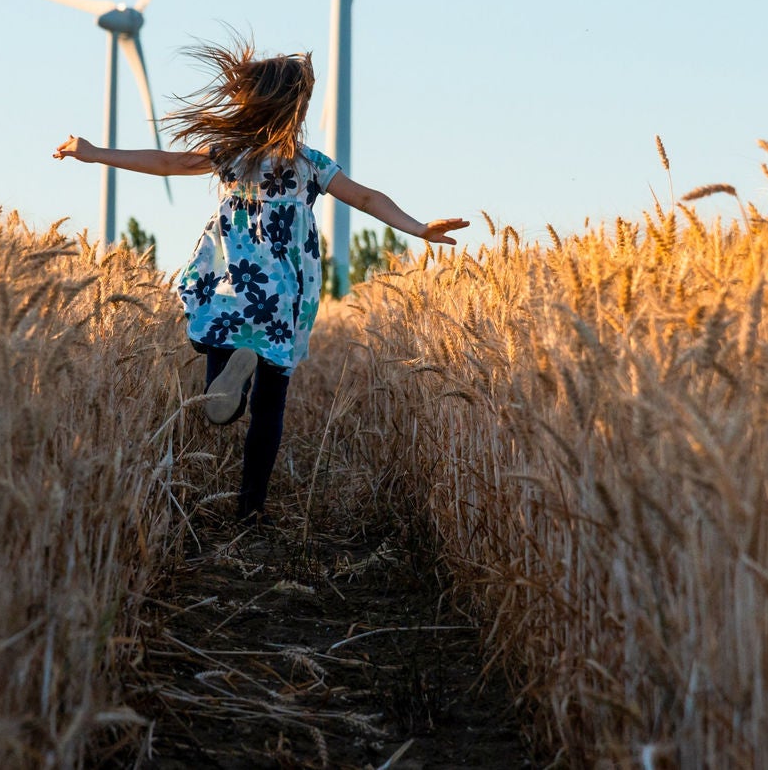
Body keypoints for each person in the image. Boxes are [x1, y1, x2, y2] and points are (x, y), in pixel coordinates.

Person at [53, 40, 466, 522]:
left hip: (234, 277)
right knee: (272, 407)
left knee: (219, 348)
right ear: (298, 108)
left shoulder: (233, 153)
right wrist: (418, 228)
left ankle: (227, 380)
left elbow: (168, 162)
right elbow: (369, 198)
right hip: (284, 291)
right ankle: (251, 507)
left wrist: (96, 153)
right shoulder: (310, 162)